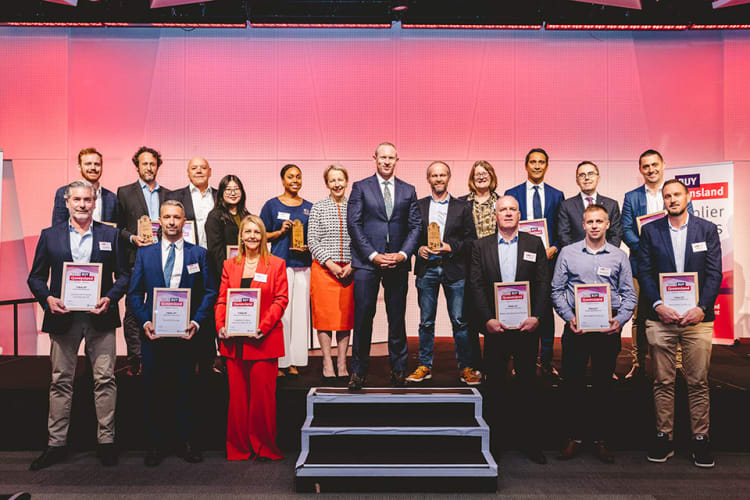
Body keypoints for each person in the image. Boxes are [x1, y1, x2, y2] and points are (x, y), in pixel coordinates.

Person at [27, 180, 129, 470]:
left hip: (101, 318)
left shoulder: (110, 234)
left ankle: (106, 442)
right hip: (63, 318)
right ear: (67, 202)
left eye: (88, 199)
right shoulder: (50, 236)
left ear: (95, 202)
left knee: (105, 380)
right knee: (60, 381)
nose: (83, 204)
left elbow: (123, 275)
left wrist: (110, 297)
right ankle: (56, 444)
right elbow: (35, 277)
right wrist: (47, 298)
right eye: (77, 200)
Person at [128, 200, 217, 467]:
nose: (171, 222)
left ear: (183, 222)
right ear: (159, 221)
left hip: (186, 335)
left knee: (186, 389)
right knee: (155, 391)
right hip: (154, 335)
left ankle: (187, 442)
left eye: (176, 217)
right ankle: (156, 444)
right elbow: (133, 294)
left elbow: (210, 292)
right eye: (166, 217)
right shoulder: (146, 254)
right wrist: (144, 322)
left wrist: (197, 322)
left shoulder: (199, 254)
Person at [638, 180, 721, 468]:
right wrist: (658, 305)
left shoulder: (706, 229)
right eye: (667, 196)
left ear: (687, 196)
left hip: (697, 320)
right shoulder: (650, 230)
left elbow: (714, 273)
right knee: (663, 381)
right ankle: (664, 437)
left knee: (698, 381)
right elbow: (645, 272)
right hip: (661, 319)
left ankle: (701, 439)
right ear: (663, 200)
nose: (672, 199)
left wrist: (702, 308)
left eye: (677, 194)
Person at [551, 204, 636, 463]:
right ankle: (572, 438)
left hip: (607, 332)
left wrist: (619, 321)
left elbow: (629, 294)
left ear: (608, 224)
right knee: (572, 386)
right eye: (590, 221)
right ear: (583, 224)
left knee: (603, 386)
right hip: (576, 329)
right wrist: (569, 317)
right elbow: (556, 290)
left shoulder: (619, 256)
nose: (595, 225)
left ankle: (602, 440)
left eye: (600, 221)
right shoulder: (568, 253)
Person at [469, 195, 549, 464]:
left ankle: (531, 443)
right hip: (496, 329)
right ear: (495, 215)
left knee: (528, 385)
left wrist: (536, 316)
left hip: (527, 327)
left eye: (512, 209)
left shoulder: (533, 243)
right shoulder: (481, 246)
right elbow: (476, 285)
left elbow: (542, 283)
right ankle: (496, 444)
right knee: (496, 387)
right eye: (502, 209)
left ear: (519, 215)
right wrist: (487, 320)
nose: (507, 213)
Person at [347, 142, 421, 390]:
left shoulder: (408, 190)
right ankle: (358, 371)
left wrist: (402, 254)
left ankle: (399, 370)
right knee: (364, 317)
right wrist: (372, 255)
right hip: (368, 263)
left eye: (391, 157)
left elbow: (415, 227)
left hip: (398, 263)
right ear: (375, 159)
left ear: (397, 160)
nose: (387, 161)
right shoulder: (360, 187)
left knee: (397, 318)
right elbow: (354, 225)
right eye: (383, 157)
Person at [215, 215, 288, 461]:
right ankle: (239, 448)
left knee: (263, 400)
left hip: (263, 341)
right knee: (237, 400)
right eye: (248, 232)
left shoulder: (276, 264)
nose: (252, 236)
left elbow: (281, 300)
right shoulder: (229, 265)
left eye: (257, 232)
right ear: (241, 236)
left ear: (264, 235)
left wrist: (264, 327)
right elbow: (223, 299)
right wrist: (220, 326)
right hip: (234, 343)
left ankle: (264, 446)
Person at [622, 150, 694, 379]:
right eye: (646, 166)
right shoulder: (632, 197)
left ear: (663, 165)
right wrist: (646, 249)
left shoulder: (676, 193)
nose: (651, 169)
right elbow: (626, 230)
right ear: (640, 169)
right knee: (639, 316)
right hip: (640, 265)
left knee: (677, 312)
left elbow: (687, 221)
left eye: (655, 165)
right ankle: (638, 362)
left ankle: (678, 362)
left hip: (674, 265)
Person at [407, 161, 478, 385]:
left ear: (449, 178)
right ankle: (425, 365)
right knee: (426, 321)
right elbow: (411, 236)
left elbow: (471, 241)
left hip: (454, 268)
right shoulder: (418, 206)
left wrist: (451, 247)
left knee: (460, 321)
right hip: (427, 270)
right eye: (434, 175)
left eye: (442, 175)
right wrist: (418, 249)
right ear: (428, 179)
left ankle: (465, 367)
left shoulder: (463, 207)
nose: (438, 179)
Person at [505, 148, 564, 377]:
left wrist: (554, 247)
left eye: (541, 162)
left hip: (547, 260)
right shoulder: (512, 193)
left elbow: (561, 227)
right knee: (518, 306)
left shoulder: (556, 195)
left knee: (544, 309)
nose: (537, 166)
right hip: (518, 260)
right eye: (533, 162)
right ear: (526, 165)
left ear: (546, 166)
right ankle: (519, 359)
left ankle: (546, 359)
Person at [116, 146, 171, 377]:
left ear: (158, 165)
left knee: (165, 305)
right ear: (136, 166)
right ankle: (136, 359)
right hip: (135, 258)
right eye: (144, 163)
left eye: (152, 163)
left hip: (164, 259)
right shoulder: (124, 192)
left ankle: (161, 356)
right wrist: (131, 238)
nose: (149, 167)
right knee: (133, 310)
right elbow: (116, 228)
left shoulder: (170, 194)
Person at [260, 164, 313, 377]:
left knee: (300, 316)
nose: (295, 180)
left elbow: (315, 237)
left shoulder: (310, 207)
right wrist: (280, 232)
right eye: (290, 177)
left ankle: (294, 360)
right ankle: (277, 360)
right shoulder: (271, 206)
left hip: (303, 267)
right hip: (279, 266)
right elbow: (261, 235)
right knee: (282, 316)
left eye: (298, 177)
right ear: (282, 180)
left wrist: (308, 246)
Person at [307, 165, 354, 380]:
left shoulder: (355, 207)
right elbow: (312, 240)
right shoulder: (318, 207)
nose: (337, 184)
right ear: (327, 184)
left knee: (345, 319)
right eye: (332, 180)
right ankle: (327, 361)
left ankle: (342, 361)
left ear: (346, 182)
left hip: (350, 271)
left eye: (340, 180)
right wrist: (331, 265)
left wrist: (352, 264)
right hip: (325, 271)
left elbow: (362, 238)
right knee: (325, 319)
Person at [459, 160, 501, 369]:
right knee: (472, 316)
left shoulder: (502, 203)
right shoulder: (460, 203)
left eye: (485, 173)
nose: (481, 177)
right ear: (472, 178)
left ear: (492, 176)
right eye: (477, 174)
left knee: (497, 314)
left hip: (497, 265)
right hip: (469, 266)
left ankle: (495, 364)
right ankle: (474, 364)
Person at [556, 161, 622, 248]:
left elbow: (616, 235)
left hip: (605, 259)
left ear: (598, 178)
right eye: (582, 175)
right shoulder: (566, 206)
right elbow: (563, 235)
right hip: (576, 258)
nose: (586, 178)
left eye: (591, 174)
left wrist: (605, 255)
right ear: (577, 181)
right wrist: (579, 255)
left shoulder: (612, 205)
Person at [52, 147, 118, 226]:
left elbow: (115, 230)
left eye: (97, 164)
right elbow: (57, 228)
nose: (93, 168)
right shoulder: (63, 193)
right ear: (79, 167)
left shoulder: (112, 198)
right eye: (88, 164)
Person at [205, 175, 249, 282]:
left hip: (246, 270)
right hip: (225, 273)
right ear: (221, 193)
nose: (233, 193)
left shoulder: (247, 216)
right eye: (228, 190)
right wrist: (226, 274)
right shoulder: (215, 216)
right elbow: (215, 251)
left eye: (236, 189)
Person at [166, 157, 217, 248]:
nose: (199, 171)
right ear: (188, 173)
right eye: (194, 168)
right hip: (186, 253)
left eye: (203, 168)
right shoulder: (174, 197)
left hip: (215, 256)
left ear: (210, 172)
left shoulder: (220, 196)